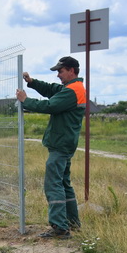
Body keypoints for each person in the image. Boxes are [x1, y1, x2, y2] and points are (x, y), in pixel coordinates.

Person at [16, 56, 87, 239]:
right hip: (65, 143)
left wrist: (26, 100)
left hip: (61, 145)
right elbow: (51, 90)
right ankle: (72, 222)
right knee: (64, 183)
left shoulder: (72, 91)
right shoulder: (72, 88)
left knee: (53, 184)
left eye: (60, 71)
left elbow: (50, 105)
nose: (58, 75)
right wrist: (32, 82)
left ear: (71, 70)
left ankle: (60, 227)